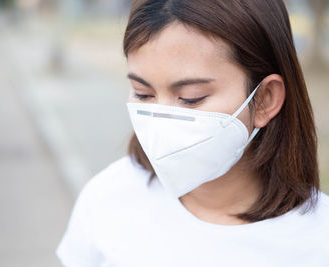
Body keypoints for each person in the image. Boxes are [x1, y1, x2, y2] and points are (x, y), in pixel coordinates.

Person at [55, 0, 329, 266]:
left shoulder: (317, 242)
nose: (161, 121)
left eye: (190, 98)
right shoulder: (106, 200)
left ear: (265, 99)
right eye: (143, 93)